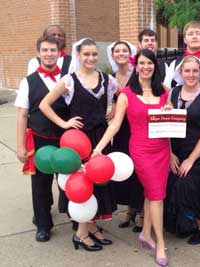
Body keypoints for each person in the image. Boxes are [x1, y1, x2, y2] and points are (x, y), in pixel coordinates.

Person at [39, 38, 118, 251]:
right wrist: (64, 123)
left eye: (94, 54)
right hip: (79, 141)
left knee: (99, 181)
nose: (91, 58)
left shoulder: (107, 79)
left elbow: (118, 99)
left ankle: (91, 225)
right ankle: (80, 233)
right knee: (83, 184)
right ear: (78, 55)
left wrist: (112, 112)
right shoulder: (69, 80)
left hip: (99, 138)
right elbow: (44, 104)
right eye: (86, 54)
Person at [93, 49, 170, 266]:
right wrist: (98, 148)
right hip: (141, 151)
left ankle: (146, 233)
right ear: (136, 66)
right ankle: (161, 243)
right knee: (156, 196)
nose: (146, 67)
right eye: (142, 63)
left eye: (150, 63)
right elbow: (116, 124)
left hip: (162, 150)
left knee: (151, 193)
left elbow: (169, 122)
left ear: (155, 66)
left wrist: (169, 111)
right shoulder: (126, 94)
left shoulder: (163, 91)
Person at [15, 35, 70, 242]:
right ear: (38, 54)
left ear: (59, 53)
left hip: (65, 139)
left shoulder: (68, 78)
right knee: (40, 184)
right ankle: (43, 224)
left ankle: (75, 218)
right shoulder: (28, 82)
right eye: (45, 50)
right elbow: (22, 115)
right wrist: (20, 146)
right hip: (40, 138)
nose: (49, 54)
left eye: (53, 50)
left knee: (67, 180)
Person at [164, 56, 200, 245]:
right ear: (180, 72)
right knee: (171, 185)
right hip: (176, 151)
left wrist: (191, 160)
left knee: (189, 186)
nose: (191, 74)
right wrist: (170, 153)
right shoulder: (172, 92)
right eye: (187, 71)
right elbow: (166, 125)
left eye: (195, 71)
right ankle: (186, 223)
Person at [106, 40, 144, 232]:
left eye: (124, 50)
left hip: (137, 127)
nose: (121, 53)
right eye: (117, 51)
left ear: (130, 54)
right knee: (125, 169)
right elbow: (112, 102)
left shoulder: (138, 73)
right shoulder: (111, 78)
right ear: (112, 55)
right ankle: (130, 210)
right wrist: (111, 111)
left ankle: (142, 214)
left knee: (139, 170)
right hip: (120, 129)